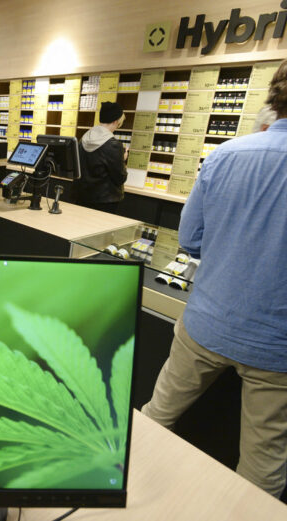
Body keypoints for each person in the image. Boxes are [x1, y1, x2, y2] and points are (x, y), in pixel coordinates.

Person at [141, 60, 287, 499]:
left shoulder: (227, 154)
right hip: (276, 349)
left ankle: (116, 495)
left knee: (155, 416)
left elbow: (190, 238)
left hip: (204, 323)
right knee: (262, 469)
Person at [75, 101, 128, 213]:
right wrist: (122, 160)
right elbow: (120, 178)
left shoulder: (83, 138)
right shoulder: (113, 145)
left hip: (81, 197)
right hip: (105, 201)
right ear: (115, 121)